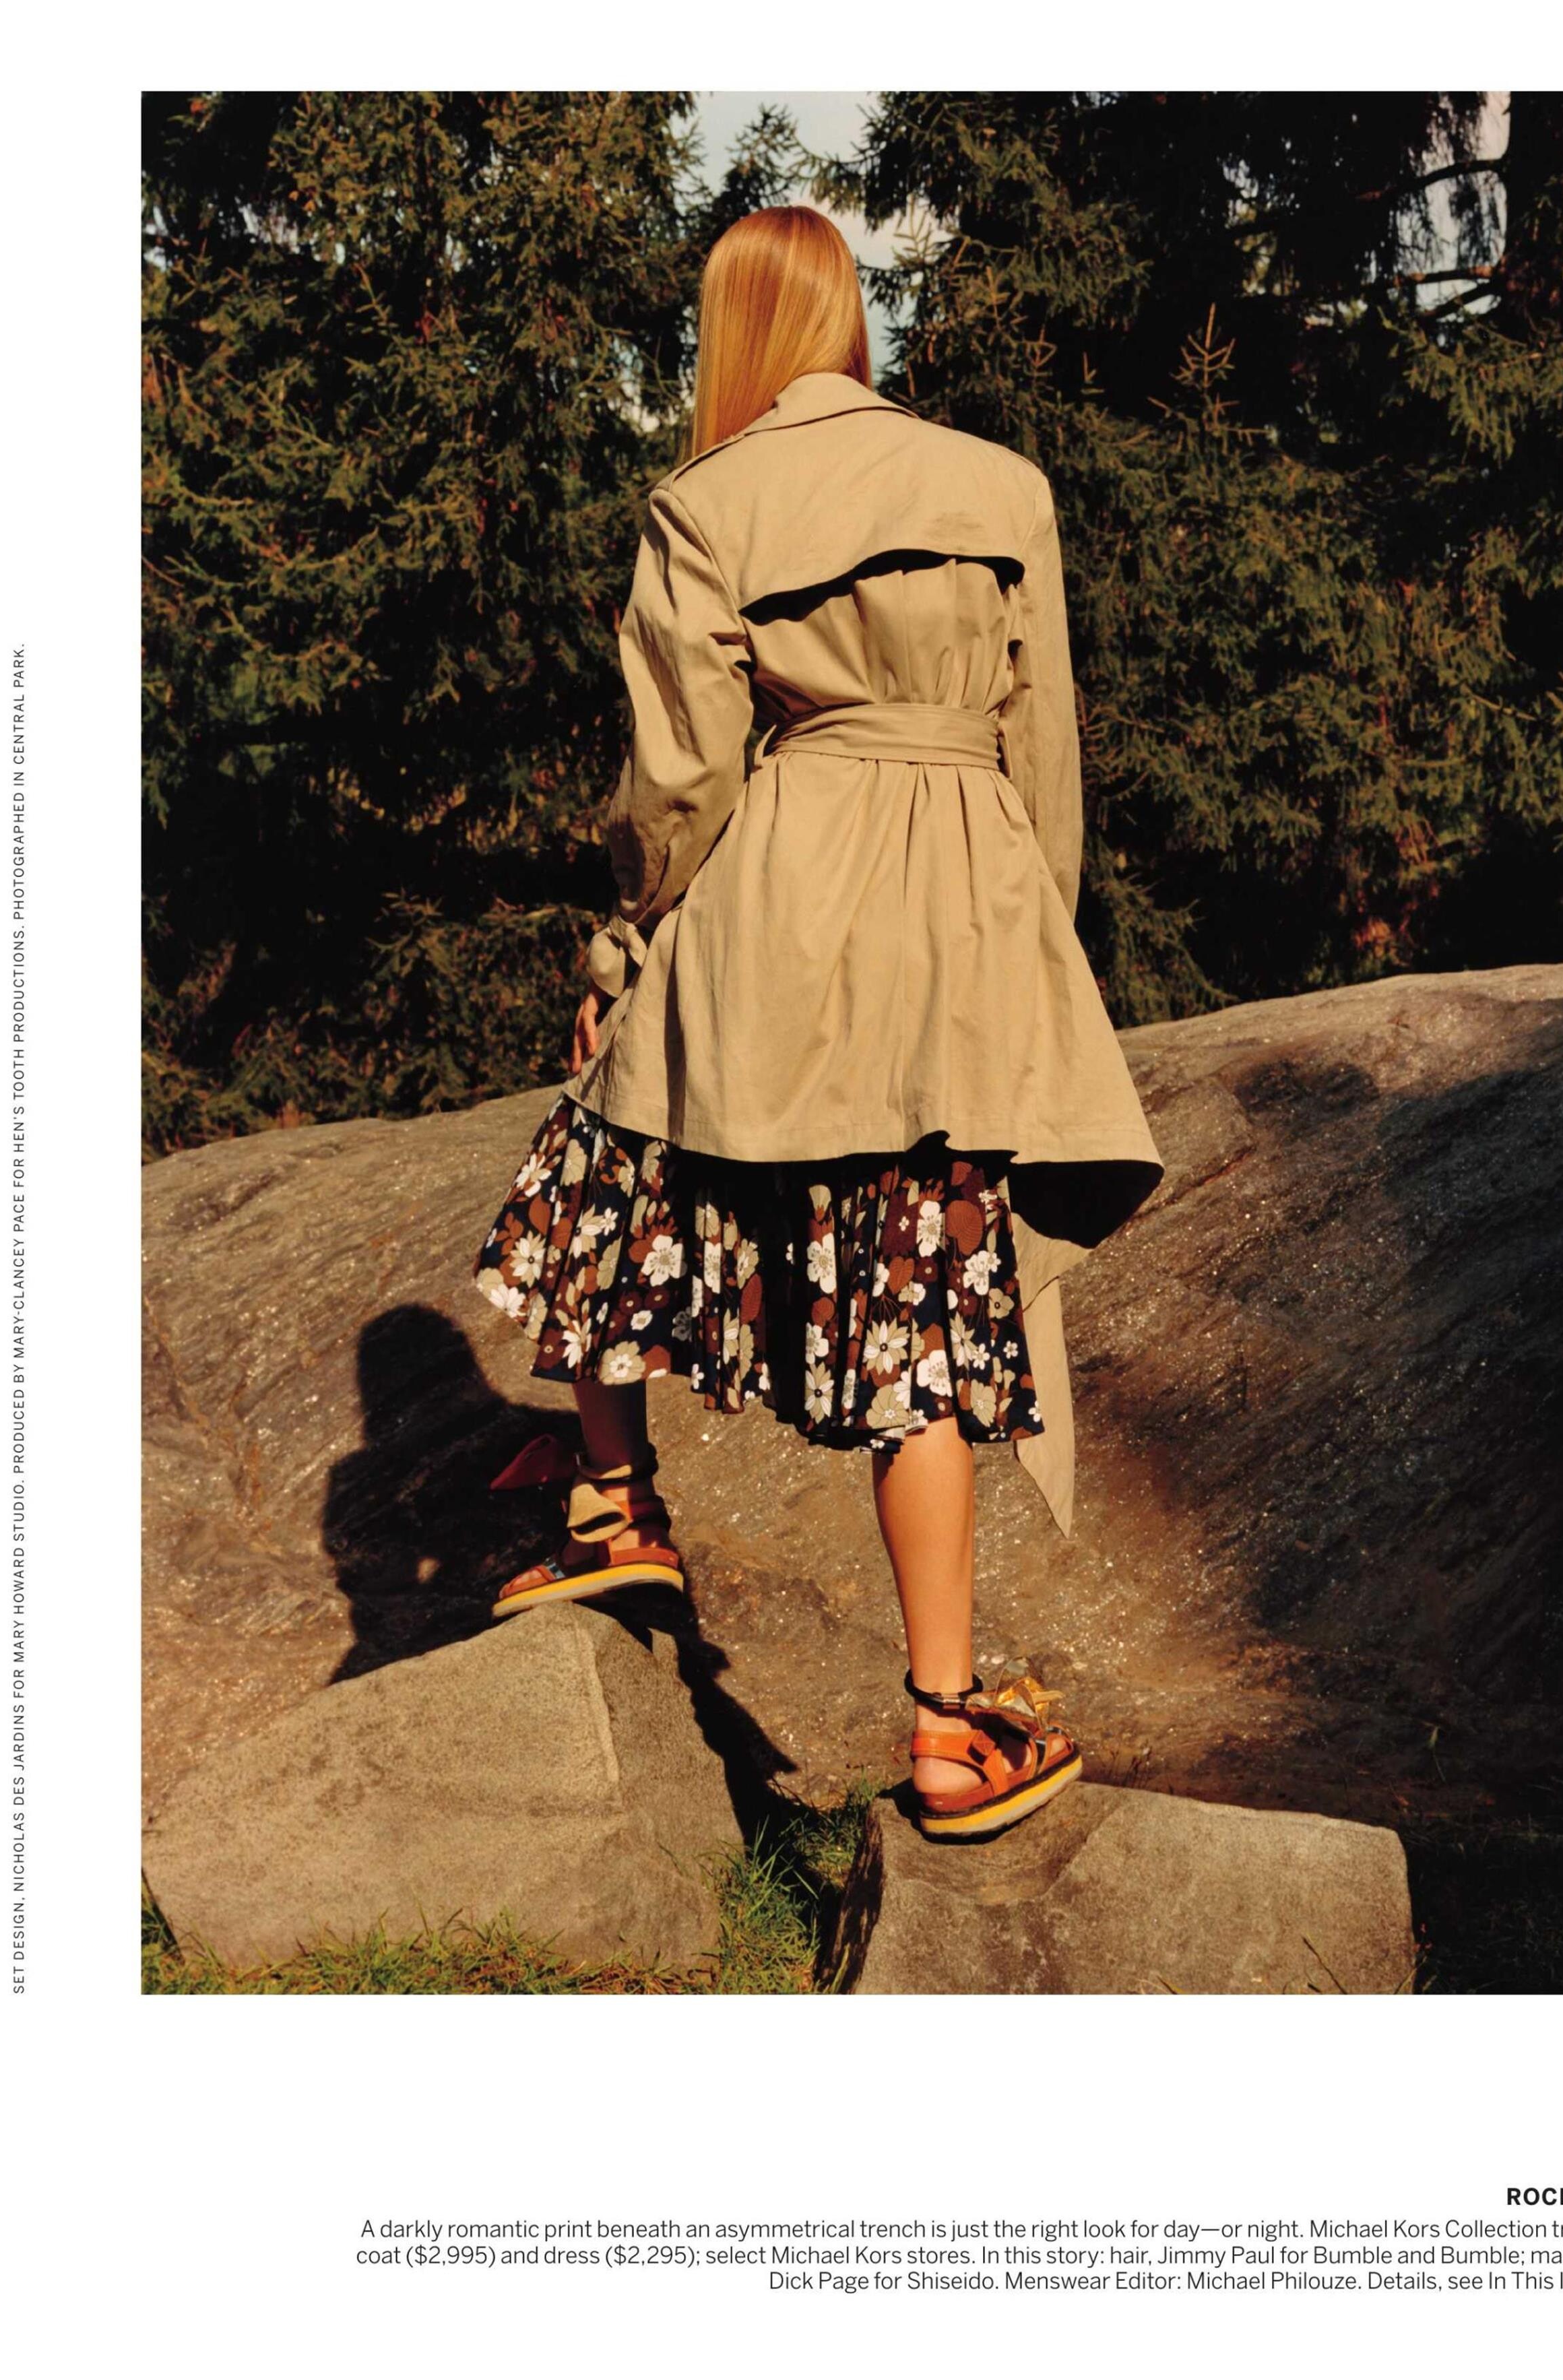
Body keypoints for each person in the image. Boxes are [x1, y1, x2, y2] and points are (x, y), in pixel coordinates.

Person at [474, 206, 1162, 1842]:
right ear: (851, 316)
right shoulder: (1000, 485)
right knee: (921, 1326)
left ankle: (616, 1503)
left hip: (774, 902)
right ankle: (948, 1734)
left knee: (601, 1163)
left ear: (730, 333)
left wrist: (623, 950)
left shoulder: (708, 501)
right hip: (966, 926)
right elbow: (1044, 750)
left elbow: (681, 780)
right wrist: (1036, 958)